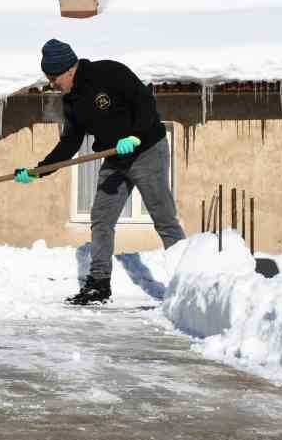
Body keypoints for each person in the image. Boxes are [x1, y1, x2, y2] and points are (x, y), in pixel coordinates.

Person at [16, 39, 185, 305]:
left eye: (53, 77)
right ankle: (99, 285)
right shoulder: (72, 101)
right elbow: (70, 142)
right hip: (115, 159)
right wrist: (39, 171)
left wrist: (136, 135)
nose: (52, 83)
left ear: (69, 69)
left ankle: (187, 282)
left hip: (147, 151)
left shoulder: (109, 72)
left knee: (163, 217)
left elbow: (144, 104)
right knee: (101, 219)